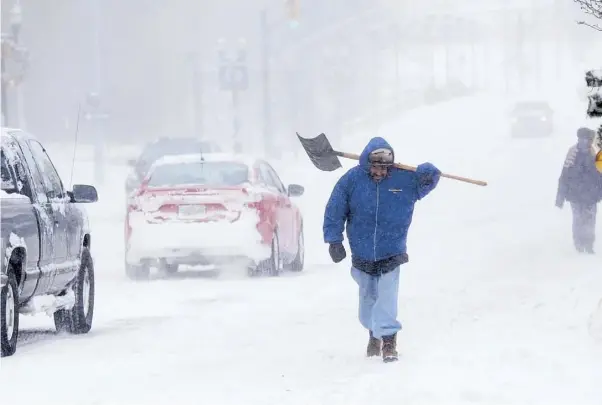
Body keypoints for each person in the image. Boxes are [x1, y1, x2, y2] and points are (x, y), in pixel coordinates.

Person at [323, 137, 441, 363]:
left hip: (392, 250)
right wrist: (334, 240)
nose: (380, 172)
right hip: (362, 251)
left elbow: (428, 181)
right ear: (367, 165)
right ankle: (373, 333)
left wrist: (429, 173)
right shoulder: (351, 181)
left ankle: (388, 340)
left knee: (387, 296)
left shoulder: (404, 179)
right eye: (376, 167)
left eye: (385, 168)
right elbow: (335, 210)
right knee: (367, 302)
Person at [556, 127, 602, 254]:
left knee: (587, 219)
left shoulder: (595, 153)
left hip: (590, 194)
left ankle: (587, 244)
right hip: (577, 194)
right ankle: (580, 243)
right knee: (580, 219)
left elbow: (600, 175)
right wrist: (560, 196)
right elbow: (565, 175)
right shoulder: (573, 153)